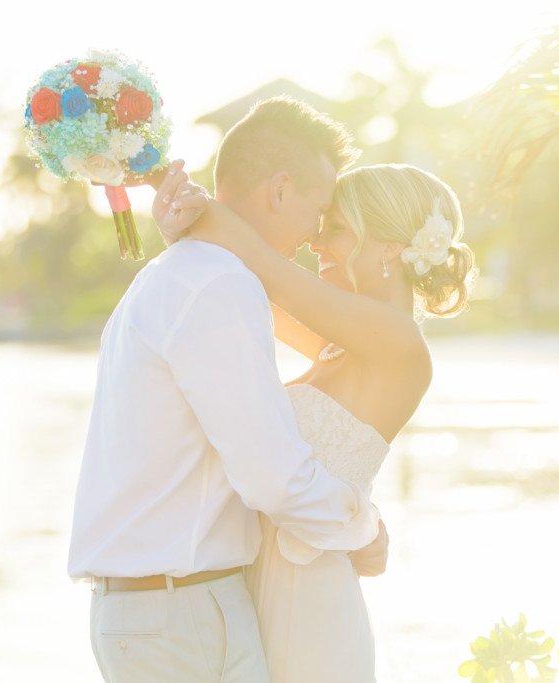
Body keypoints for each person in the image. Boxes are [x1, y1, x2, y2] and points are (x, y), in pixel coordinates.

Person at [67, 97, 389, 683]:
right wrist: (364, 528)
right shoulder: (219, 285)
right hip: (181, 613)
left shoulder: (173, 275)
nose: (314, 235)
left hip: (160, 608)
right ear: (281, 190)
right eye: (318, 212)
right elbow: (274, 477)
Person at [155, 160, 475, 682]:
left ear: (390, 246)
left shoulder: (399, 343)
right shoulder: (337, 344)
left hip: (309, 600)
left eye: (338, 230)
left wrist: (174, 191)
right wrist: (179, 234)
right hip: (254, 582)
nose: (316, 244)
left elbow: (267, 268)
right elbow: (239, 287)